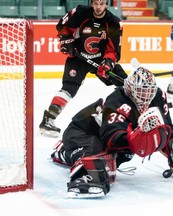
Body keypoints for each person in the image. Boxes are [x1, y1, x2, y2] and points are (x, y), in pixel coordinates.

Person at [51, 66, 173, 197]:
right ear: (130, 89)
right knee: (95, 151)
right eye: (141, 92)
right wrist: (138, 138)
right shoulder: (116, 100)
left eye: (149, 92)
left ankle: (67, 152)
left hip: (105, 137)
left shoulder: (158, 96)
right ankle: (81, 174)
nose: (145, 98)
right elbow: (111, 138)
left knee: (123, 156)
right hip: (82, 132)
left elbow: (166, 128)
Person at [39, 0, 127, 138]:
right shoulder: (79, 13)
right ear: (91, 3)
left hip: (100, 60)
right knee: (69, 88)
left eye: (102, 4)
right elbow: (62, 26)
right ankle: (48, 120)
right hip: (78, 59)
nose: (98, 7)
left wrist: (108, 63)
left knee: (124, 82)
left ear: (106, 4)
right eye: (96, 3)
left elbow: (113, 51)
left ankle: (131, 117)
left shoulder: (114, 23)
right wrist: (66, 40)